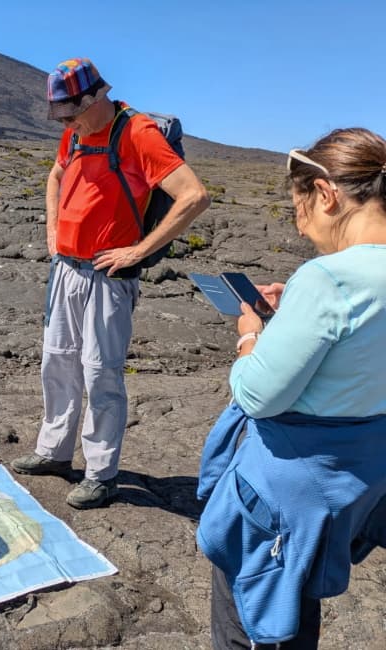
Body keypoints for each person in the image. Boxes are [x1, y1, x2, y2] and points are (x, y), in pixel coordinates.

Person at [196, 128, 386, 648]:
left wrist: (251, 335)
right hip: (355, 481)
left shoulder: (327, 279)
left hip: (285, 493)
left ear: (327, 194)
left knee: (254, 617)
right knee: (299, 600)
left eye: (300, 210)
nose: (302, 232)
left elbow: (258, 395)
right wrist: (294, 321)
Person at [11, 57, 210, 508]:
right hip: (66, 269)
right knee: (57, 363)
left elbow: (194, 195)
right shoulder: (76, 132)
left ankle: (101, 473)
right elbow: (57, 173)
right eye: (60, 115)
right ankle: (55, 452)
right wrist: (52, 228)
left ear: (95, 96)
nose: (67, 122)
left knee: (101, 373)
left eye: (71, 112)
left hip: (108, 275)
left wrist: (138, 252)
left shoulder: (137, 132)